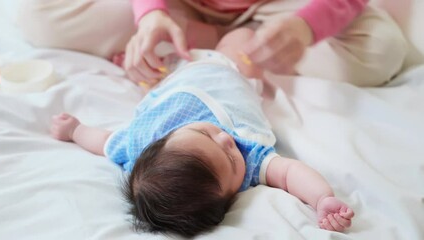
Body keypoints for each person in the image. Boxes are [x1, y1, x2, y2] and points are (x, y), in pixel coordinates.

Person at [50, 28, 355, 237]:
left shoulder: (140, 142)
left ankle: (188, 40)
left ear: (164, 140)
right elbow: (290, 173)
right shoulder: (251, 155)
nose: (226, 139)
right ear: (231, 195)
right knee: (245, 40)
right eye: (231, 160)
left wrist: (76, 130)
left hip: (176, 79)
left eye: (205, 134)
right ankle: (224, 34)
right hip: (230, 70)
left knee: (152, 61)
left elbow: (104, 141)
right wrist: (321, 199)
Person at [18, 0, 407, 87]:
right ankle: (213, 36)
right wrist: (150, 12)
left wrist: (306, 28)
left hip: (284, 7)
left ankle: (254, 35)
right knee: (40, 14)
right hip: (181, 4)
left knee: (381, 50)